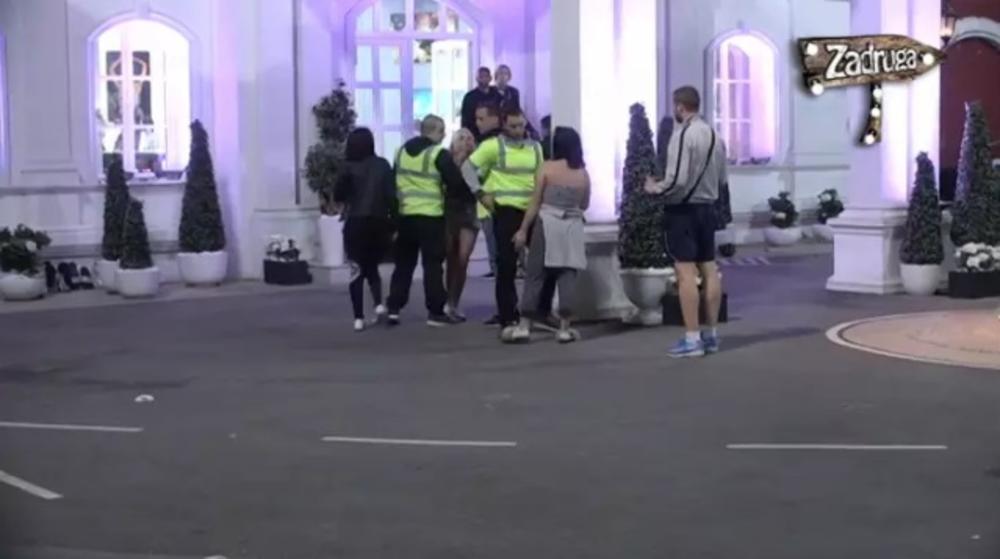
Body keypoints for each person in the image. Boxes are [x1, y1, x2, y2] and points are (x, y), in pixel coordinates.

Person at [644, 86, 728, 358]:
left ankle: (692, 339)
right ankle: (711, 335)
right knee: (710, 269)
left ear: (680, 107)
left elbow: (677, 180)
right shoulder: (715, 135)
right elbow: (722, 179)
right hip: (708, 208)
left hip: (683, 211)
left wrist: (655, 189)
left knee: (685, 273)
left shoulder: (683, 135)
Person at [506, 126, 590, 344]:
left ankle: (524, 326)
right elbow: (584, 204)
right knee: (567, 274)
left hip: (547, 224)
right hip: (572, 227)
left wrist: (523, 229)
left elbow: (535, 202)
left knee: (536, 273)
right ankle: (564, 328)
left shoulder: (547, 169)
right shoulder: (582, 174)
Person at [462, 107, 544, 330]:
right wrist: (480, 193)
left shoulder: (536, 148)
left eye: (521, 125)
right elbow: (467, 168)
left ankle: (538, 311)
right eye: (513, 126)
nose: (518, 130)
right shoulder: (493, 146)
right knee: (506, 267)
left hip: (531, 211)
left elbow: (540, 178)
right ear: (503, 125)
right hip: (505, 211)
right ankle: (508, 315)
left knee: (540, 264)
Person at [387, 115, 467, 327]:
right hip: (431, 217)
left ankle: (394, 308)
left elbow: (393, 183)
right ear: (436, 131)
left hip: (405, 215)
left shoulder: (400, 152)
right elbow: (456, 183)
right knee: (432, 265)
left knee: (403, 265)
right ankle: (435, 311)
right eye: (442, 132)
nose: (444, 136)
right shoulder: (437, 154)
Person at [334, 128, 396, 332]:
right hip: (379, 222)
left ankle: (358, 318)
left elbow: (338, 195)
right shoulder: (383, 165)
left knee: (356, 270)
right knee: (372, 265)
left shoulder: (347, 167)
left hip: (355, 222)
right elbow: (391, 196)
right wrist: (394, 223)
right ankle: (378, 303)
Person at [443, 128, 480, 322]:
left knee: (463, 258)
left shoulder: (476, 162)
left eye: (469, 138)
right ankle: (448, 301)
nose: (466, 141)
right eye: (461, 138)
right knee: (450, 257)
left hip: (469, 211)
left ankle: (454, 302)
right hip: (449, 211)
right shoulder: (446, 161)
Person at [475, 103, 503, 281]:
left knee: (496, 243)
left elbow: (475, 172)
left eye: (481, 119)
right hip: (494, 201)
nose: (477, 123)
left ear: (494, 119)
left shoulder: (490, 145)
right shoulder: (499, 143)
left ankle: (500, 271)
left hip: (491, 201)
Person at [461, 67, 501, 143]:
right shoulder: (470, 97)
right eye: (481, 76)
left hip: (495, 135)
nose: (483, 79)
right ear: (476, 78)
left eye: (486, 76)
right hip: (476, 136)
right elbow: (465, 120)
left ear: (490, 78)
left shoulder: (496, 94)